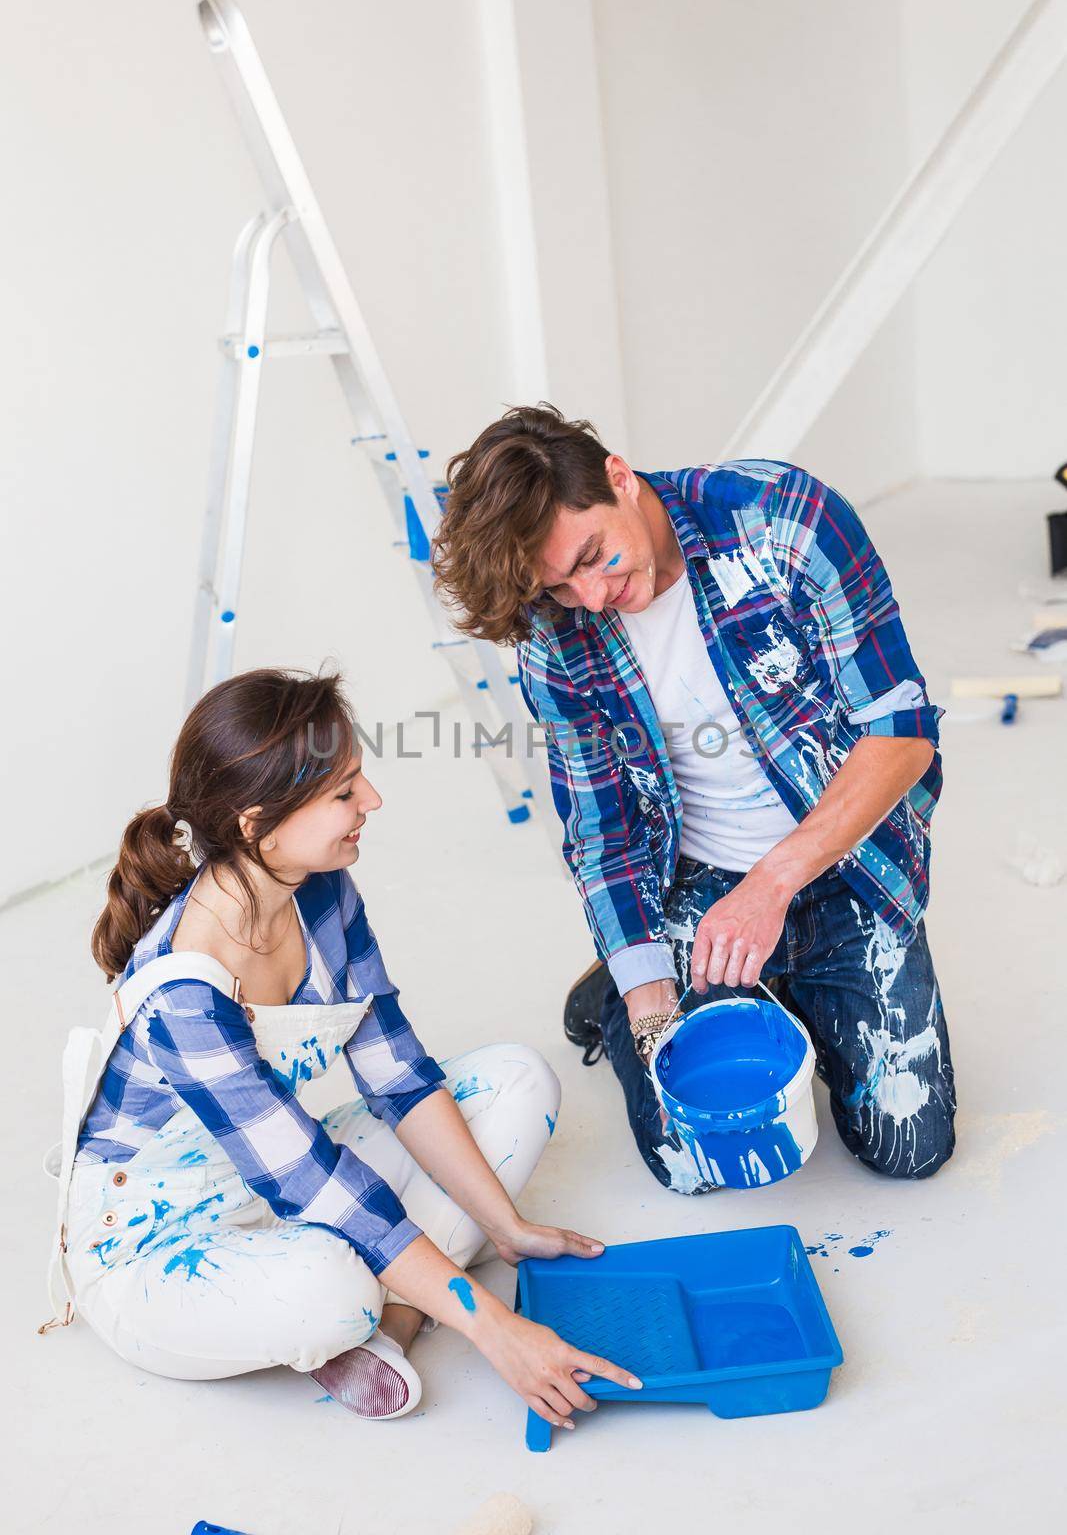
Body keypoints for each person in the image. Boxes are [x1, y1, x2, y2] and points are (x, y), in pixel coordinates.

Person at [56, 667, 641, 1425]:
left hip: (271, 1185)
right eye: (343, 792)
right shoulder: (182, 995)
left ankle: (393, 1327)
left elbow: (397, 1076)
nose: (371, 803)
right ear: (255, 823)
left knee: (517, 1081)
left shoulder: (320, 890)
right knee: (331, 1289)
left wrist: (506, 1225)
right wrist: (496, 1329)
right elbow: (315, 1184)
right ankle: (387, 1310)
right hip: (156, 1248)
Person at [432, 404, 957, 1192]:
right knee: (693, 1164)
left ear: (618, 476)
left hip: (839, 864)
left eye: (594, 556)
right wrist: (649, 1004)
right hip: (696, 883)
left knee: (908, 1152)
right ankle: (623, 982)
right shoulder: (555, 633)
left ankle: (772, 981)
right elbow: (601, 830)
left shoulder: (781, 519)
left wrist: (772, 883)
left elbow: (902, 732)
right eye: (561, 585)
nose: (592, 597)